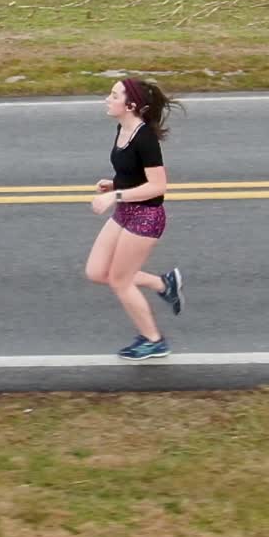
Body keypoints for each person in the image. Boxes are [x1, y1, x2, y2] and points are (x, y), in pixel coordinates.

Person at [84, 78, 185, 360]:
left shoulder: (145, 139)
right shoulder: (123, 128)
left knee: (120, 280)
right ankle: (163, 285)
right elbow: (134, 173)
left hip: (146, 217)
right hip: (127, 211)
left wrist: (112, 198)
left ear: (130, 105)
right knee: (96, 271)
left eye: (113, 95)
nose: (107, 98)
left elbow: (157, 186)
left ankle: (154, 340)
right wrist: (115, 184)